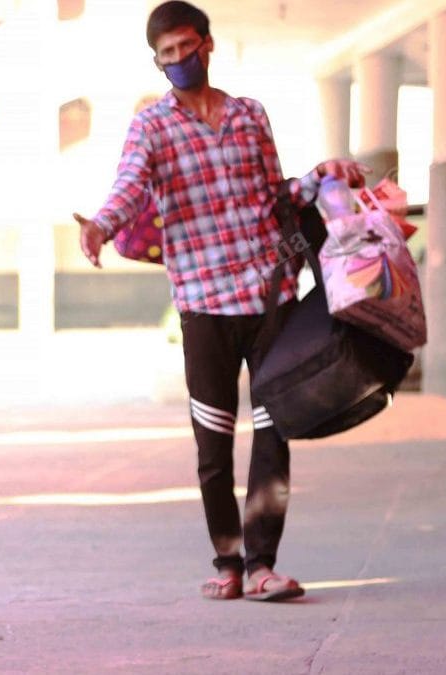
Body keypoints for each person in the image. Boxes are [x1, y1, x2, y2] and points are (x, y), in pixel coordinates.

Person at [72, 1, 369, 602]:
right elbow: (131, 184)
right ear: (157, 63)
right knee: (213, 445)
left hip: (270, 298)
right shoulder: (152, 127)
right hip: (204, 305)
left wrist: (322, 175)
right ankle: (228, 563)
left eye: (186, 47)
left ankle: (263, 566)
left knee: (273, 431)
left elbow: (275, 194)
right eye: (167, 55)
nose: (179, 61)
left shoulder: (250, 115)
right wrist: (103, 224)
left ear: (208, 43)